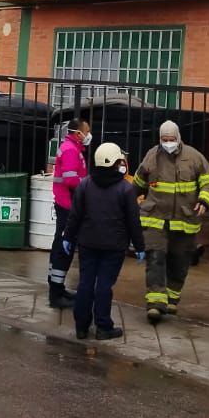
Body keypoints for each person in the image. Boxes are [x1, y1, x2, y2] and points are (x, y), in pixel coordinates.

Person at [133, 120, 209, 323]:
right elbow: (139, 183)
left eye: (171, 139)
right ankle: (155, 303)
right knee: (155, 257)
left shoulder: (194, 158)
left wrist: (204, 200)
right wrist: (131, 200)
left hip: (185, 219)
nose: (168, 143)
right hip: (155, 218)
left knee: (180, 261)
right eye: (164, 139)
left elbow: (208, 183)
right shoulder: (152, 156)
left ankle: (171, 298)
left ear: (178, 138)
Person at [62, 142, 145, 341]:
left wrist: (68, 236)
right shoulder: (125, 189)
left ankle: (81, 327)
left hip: (87, 242)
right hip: (113, 246)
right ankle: (103, 326)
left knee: (85, 283)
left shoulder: (85, 184)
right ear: (115, 162)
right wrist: (140, 246)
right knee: (104, 285)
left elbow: (75, 215)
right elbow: (133, 221)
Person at [47, 118, 91, 309]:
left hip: (65, 202)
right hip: (68, 204)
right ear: (77, 133)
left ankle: (57, 287)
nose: (88, 134)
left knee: (60, 245)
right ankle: (56, 294)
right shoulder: (71, 150)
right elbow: (71, 180)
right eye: (86, 131)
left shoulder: (69, 147)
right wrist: (89, 184)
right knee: (64, 248)